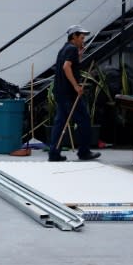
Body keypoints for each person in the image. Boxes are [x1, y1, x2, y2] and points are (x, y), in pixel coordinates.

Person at [47, 25, 101, 162]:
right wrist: (76, 86)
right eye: (81, 38)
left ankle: (54, 153)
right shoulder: (71, 49)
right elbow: (66, 67)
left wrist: (79, 56)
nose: (83, 41)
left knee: (60, 122)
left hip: (60, 92)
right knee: (84, 120)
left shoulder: (64, 49)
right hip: (69, 94)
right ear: (74, 37)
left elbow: (67, 65)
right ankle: (84, 152)